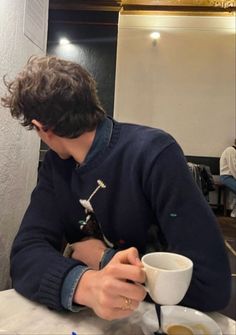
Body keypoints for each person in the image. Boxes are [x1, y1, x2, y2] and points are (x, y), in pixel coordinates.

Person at [1, 56, 231, 320]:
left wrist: (104, 259)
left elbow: (212, 284)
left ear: (42, 128)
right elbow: (25, 253)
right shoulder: (56, 167)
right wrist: (85, 285)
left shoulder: (154, 153)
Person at [220, 140, 236, 217]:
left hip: (232, 176)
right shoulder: (231, 150)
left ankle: (234, 209)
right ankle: (234, 211)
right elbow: (234, 168)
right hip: (226, 177)